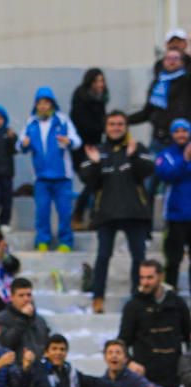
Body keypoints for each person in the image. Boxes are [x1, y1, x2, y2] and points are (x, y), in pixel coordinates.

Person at [79, 110, 155, 314]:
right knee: (103, 256)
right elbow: (87, 179)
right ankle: (98, 297)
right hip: (106, 214)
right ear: (106, 127)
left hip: (135, 213)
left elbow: (149, 170)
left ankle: (137, 297)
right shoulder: (97, 151)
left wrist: (133, 157)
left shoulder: (136, 148)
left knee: (139, 257)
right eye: (112, 124)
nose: (116, 128)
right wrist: (95, 163)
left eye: (120, 124)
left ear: (126, 127)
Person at [18, 87, 81, 252]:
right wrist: (23, 144)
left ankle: (66, 241)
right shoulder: (31, 122)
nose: (43, 106)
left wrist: (68, 141)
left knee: (65, 212)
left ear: (52, 104)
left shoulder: (62, 120)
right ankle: (42, 240)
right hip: (41, 177)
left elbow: (77, 141)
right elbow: (20, 143)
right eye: (39, 103)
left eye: (46, 102)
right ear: (36, 105)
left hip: (63, 176)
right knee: (42, 212)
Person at [118, 259, 190, 387]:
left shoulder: (177, 303)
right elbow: (123, 340)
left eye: (149, 277)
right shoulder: (133, 306)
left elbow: (188, 335)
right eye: (142, 278)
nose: (145, 282)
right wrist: (130, 363)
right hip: (144, 378)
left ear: (160, 277)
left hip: (173, 374)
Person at [31, 334, 124, 387]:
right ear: (46, 353)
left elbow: (92, 383)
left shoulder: (71, 373)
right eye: (54, 349)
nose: (58, 352)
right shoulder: (39, 369)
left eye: (62, 349)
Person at [129, 48, 191, 165]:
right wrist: (125, 120)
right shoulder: (158, 83)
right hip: (158, 138)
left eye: (175, 58)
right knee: (150, 177)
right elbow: (147, 112)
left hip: (181, 139)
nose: (171, 61)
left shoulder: (186, 81)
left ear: (182, 62)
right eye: (168, 58)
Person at [155, 118, 191, 291]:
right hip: (175, 215)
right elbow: (166, 175)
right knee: (173, 258)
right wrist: (185, 160)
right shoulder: (165, 155)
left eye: (184, 130)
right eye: (177, 131)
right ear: (172, 134)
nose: (181, 134)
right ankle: (170, 293)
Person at [69, 68, 108, 226]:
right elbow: (84, 125)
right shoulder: (81, 100)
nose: (100, 84)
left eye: (102, 81)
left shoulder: (100, 100)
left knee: (98, 182)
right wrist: (103, 127)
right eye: (96, 81)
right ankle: (79, 214)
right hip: (82, 149)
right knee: (92, 181)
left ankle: (93, 216)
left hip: (96, 146)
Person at [0, 277, 48, 364]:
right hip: (13, 372)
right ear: (12, 297)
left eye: (29, 295)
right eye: (21, 295)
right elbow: (5, 344)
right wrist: (23, 318)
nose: (26, 299)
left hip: (38, 371)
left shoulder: (40, 320)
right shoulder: (1, 319)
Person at [102, 339, 167, 387]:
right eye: (110, 352)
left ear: (126, 359)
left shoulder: (134, 379)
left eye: (118, 352)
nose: (114, 356)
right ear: (105, 358)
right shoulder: (102, 381)